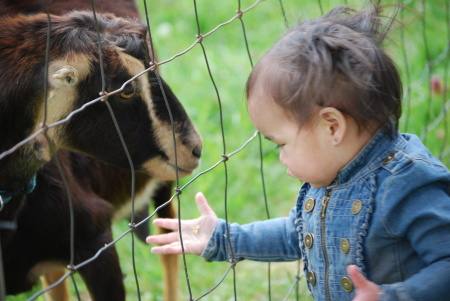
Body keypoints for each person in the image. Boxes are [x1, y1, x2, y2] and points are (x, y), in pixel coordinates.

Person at [146, 1, 450, 300]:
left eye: (282, 143)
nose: (281, 157)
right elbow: (300, 235)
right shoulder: (331, 175)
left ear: (331, 127)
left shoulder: (407, 184)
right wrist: (226, 238)